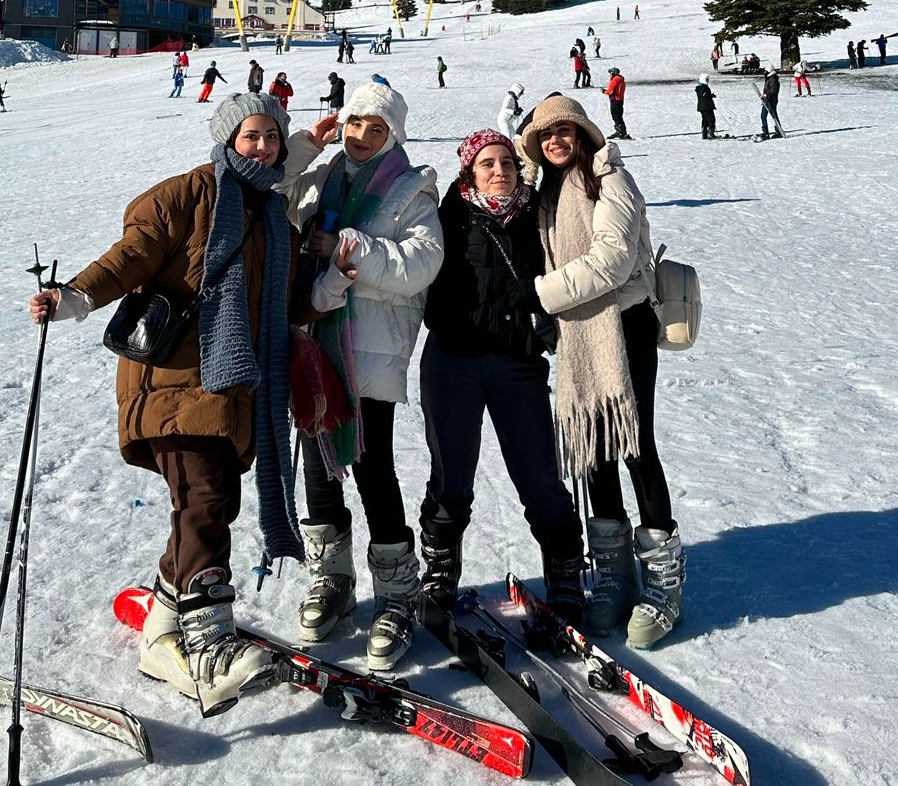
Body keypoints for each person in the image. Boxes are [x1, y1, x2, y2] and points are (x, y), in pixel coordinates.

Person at [28, 95, 349, 713]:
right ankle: (209, 645)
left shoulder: (273, 217)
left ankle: (162, 627)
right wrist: (74, 297)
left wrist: (329, 289)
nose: (262, 148)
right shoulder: (187, 194)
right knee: (203, 500)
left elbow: (284, 303)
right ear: (228, 138)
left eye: (271, 139)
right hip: (173, 380)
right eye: (251, 137)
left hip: (234, 391)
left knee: (210, 502)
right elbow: (133, 255)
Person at [278, 82, 443, 669]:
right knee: (319, 465)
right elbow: (270, 195)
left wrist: (352, 246)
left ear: (394, 134)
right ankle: (333, 579)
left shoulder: (411, 188)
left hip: (368, 348)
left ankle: (397, 594)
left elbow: (421, 264)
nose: (362, 138)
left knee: (373, 467)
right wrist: (302, 149)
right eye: (355, 126)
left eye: (377, 129)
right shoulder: (323, 176)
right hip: (313, 336)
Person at [518, 96, 684, 645]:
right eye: (545, 136)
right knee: (593, 448)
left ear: (583, 134)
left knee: (635, 445)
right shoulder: (546, 192)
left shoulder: (610, 181)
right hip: (577, 334)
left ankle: (663, 581)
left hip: (624, 326)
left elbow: (612, 260)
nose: (555, 142)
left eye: (564, 132)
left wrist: (539, 296)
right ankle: (613, 574)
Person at [418, 130, 583, 617]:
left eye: (507, 163)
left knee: (538, 474)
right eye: (488, 164)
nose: (499, 172)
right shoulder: (447, 213)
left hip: (517, 362)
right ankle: (441, 566)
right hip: (453, 361)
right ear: (470, 170)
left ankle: (565, 568)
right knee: (451, 474)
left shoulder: (538, 214)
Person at [603, 68, 629, 139]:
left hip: (615, 100)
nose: (609, 75)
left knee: (615, 116)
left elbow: (610, 91)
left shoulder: (615, 80)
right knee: (619, 116)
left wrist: (604, 91)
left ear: (613, 73)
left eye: (610, 73)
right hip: (620, 100)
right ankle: (623, 132)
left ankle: (620, 132)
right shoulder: (621, 80)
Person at [759, 65, 782, 139]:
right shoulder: (769, 78)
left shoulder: (773, 79)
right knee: (763, 116)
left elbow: (773, 90)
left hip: (772, 100)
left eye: (765, 71)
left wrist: (766, 95)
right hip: (766, 100)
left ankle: (779, 131)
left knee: (774, 115)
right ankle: (765, 132)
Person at [695, 75, 716, 139]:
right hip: (706, 106)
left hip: (703, 107)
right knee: (711, 120)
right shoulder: (703, 87)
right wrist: (710, 95)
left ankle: (705, 134)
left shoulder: (700, 87)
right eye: (707, 79)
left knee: (705, 120)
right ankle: (710, 134)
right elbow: (704, 94)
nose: (708, 81)